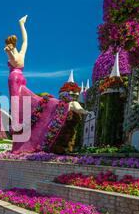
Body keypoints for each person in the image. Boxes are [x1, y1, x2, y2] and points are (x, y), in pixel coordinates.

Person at [5, 15, 87, 153]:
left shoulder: (14, 59)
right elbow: (25, 41)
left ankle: (68, 106)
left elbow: (15, 54)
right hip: (20, 86)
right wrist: (22, 25)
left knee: (34, 107)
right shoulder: (20, 55)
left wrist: (9, 52)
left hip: (17, 87)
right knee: (40, 104)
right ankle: (70, 106)